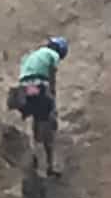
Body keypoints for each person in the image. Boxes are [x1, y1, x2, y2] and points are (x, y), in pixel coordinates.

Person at [7, 37, 69, 177]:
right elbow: (51, 76)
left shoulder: (33, 55)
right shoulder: (52, 55)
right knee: (49, 121)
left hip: (24, 90)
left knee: (36, 117)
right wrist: (52, 96)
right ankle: (49, 164)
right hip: (38, 88)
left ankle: (33, 154)